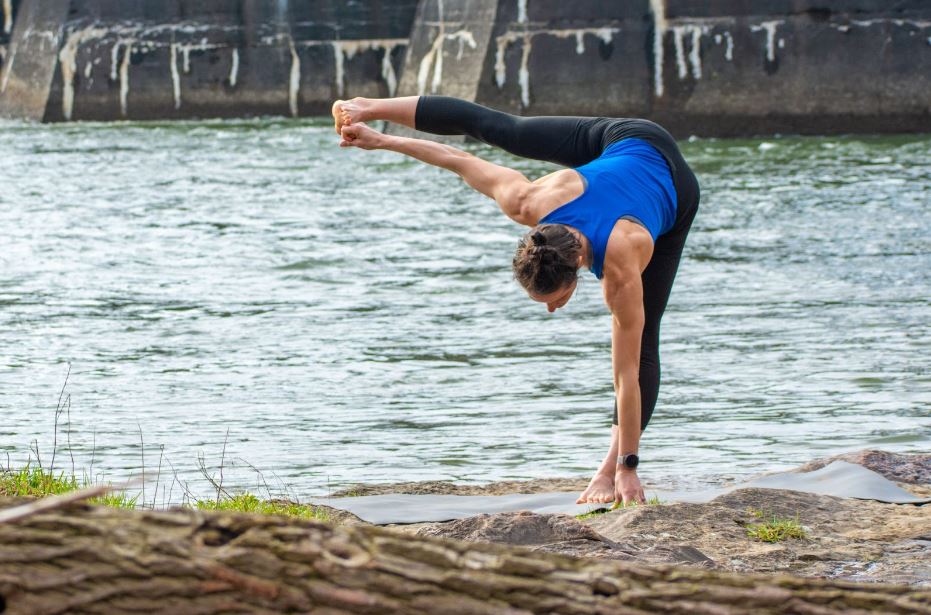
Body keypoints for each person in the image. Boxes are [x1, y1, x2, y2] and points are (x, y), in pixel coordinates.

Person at [332, 96, 700, 506]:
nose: (550, 308)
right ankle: (365, 104)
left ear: (577, 266)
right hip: (620, 140)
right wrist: (378, 138)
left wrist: (626, 467)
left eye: (553, 299)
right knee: (502, 128)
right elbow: (455, 158)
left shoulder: (622, 260)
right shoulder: (527, 201)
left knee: (643, 343)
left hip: (674, 192)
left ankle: (611, 467)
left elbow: (626, 375)